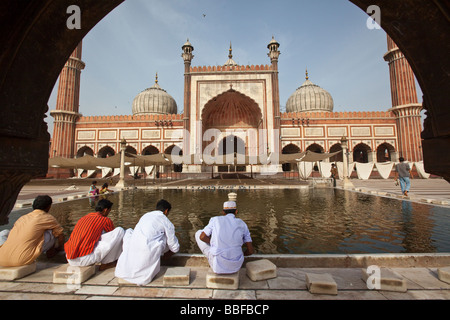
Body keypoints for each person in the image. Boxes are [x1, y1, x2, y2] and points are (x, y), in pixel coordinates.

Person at [115, 199, 179, 285]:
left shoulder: (146, 215)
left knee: (130, 231)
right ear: (166, 211)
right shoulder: (166, 221)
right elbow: (174, 246)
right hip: (147, 251)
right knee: (166, 236)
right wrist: (169, 254)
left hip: (132, 251)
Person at [0, 195, 65, 267]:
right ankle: (50, 254)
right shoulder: (47, 217)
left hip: (2, 259)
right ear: (48, 207)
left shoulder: (23, 218)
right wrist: (60, 248)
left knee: (5, 232)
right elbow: (60, 235)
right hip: (21, 260)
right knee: (53, 231)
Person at [195, 200, 254, 274]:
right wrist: (240, 253)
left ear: (223, 212)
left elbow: (202, 237)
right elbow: (251, 251)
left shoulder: (215, 220)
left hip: (217, 267)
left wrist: (213, 242)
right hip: (236, 266)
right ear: (236, 212)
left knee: (198, 233)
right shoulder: (242, 223)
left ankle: (213, 253)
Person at [64, 199, 124, 270]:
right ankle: (106, 263)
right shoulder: (104, 220)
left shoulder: (84, 218)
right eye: (109, 211)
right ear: (105, 210)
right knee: (120, 231)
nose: (108, 213)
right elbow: (113, 238)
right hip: (84, 259)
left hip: (69, 258)